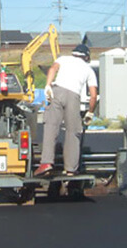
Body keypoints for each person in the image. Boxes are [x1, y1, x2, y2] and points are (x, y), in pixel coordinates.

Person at [34, 44, 98, 176]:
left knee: (51, 126)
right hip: (74, 97)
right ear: (86, 57)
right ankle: (70, 169)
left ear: (74, 53)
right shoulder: (89, 70)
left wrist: (47, 85)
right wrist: (90, 112)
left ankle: (46, 163)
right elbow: (93, 96)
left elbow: (52, 69)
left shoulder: (63, 59)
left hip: (57, 91)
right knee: (73, 132)